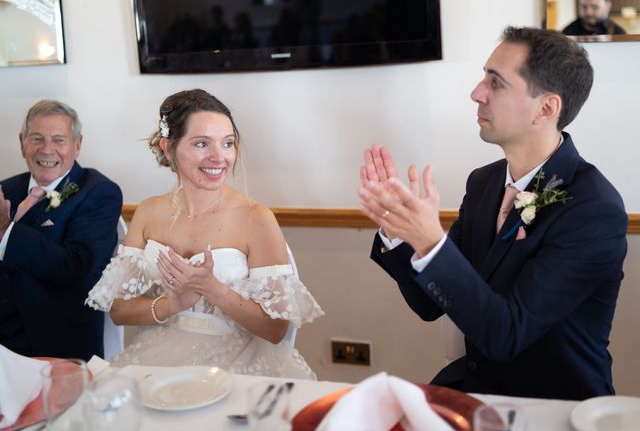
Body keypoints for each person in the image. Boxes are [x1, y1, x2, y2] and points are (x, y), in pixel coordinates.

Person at [358, 26, 627, 400]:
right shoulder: (483, 183)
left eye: (495, 83)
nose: (476, 93)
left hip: (556, 406)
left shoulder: (593, 209)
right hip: (475, 391)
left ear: (546, 108)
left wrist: (430, 241)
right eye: (484, 76)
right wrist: (399, 231)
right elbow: (428, 304)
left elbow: (506, 335)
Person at [86, 89, 324, 379]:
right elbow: (119, 312)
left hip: (238, 362)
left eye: (228, 144)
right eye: (201, 144)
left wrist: (214, 289)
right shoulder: (148, 213)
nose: (219, 157)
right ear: (167, 147)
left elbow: (276, 330)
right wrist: (170, 305)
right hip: (159, 353)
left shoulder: (256, 219)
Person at [0, 100, 123, 361]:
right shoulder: (5, 188)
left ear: (77, 145)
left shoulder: (98, 192)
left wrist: (5, 231)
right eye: (36, 139)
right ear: (22, 142)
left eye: (58, 140)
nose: (47, 150)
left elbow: (77, 268)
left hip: (54, 342)